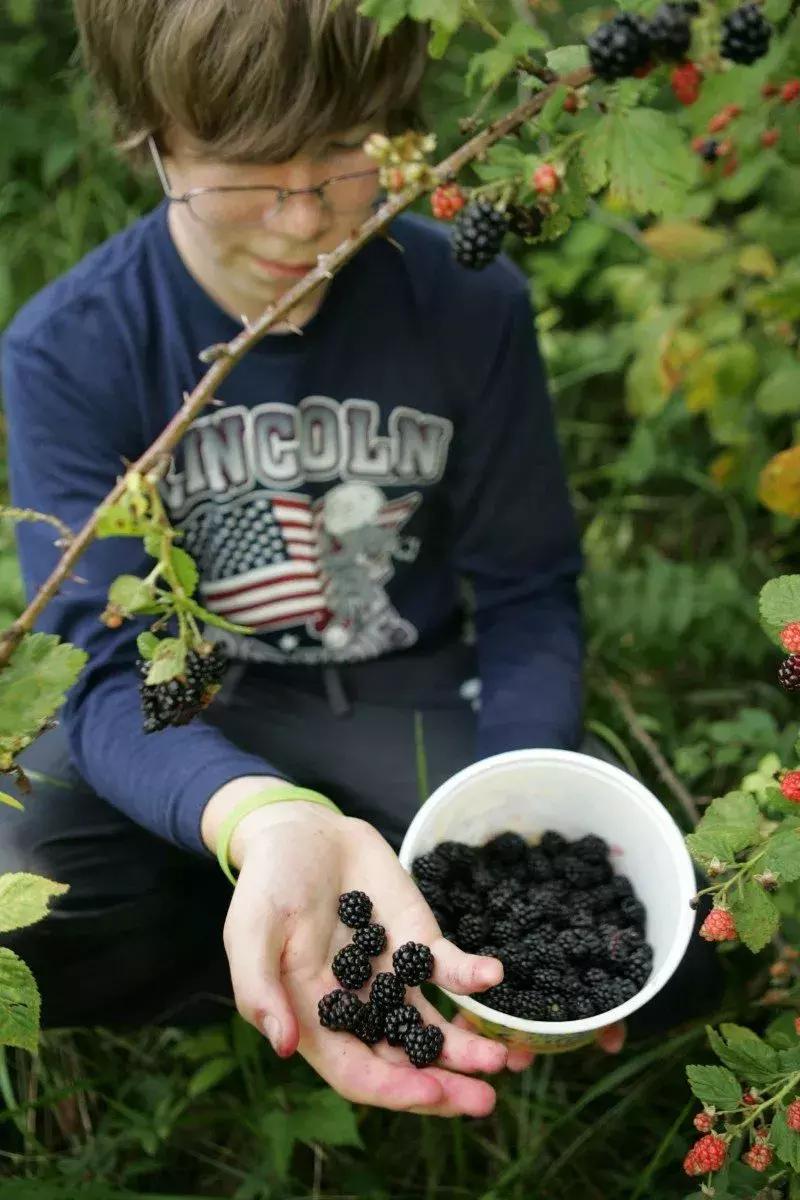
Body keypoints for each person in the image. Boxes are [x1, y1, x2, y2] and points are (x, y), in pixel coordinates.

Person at [0, 0, 716, 1119]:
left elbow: (528, 590)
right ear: (149, 135)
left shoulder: (465, 302)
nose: (303, 215)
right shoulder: (70, 349)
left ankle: (319, 926)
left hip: (405, 694)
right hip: (186, 717)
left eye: (344, 151)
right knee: (22, 897)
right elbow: (101, 670)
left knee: (676, 954)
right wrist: (258, 815)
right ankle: (241, 939)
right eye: (245, 166)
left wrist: (501, 804)